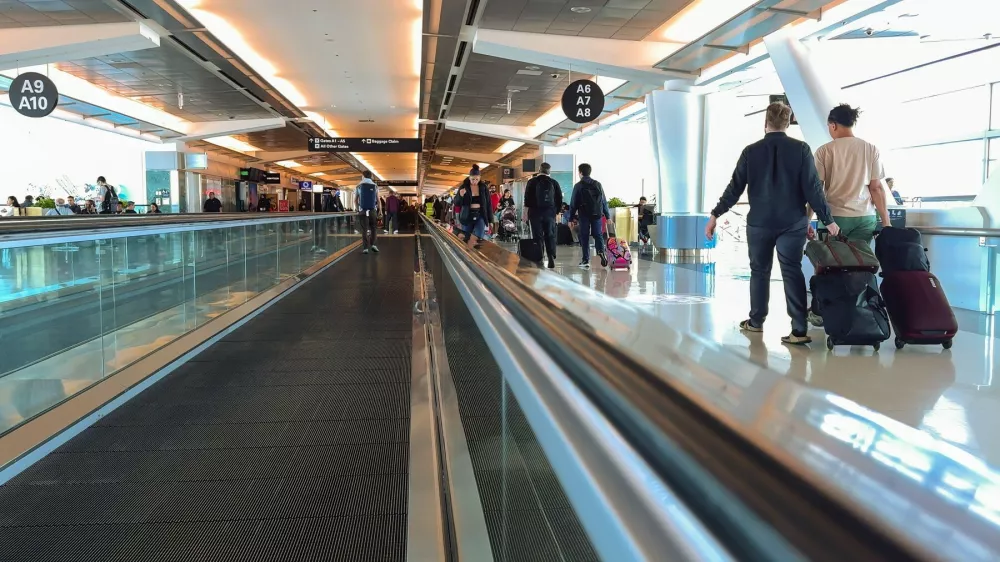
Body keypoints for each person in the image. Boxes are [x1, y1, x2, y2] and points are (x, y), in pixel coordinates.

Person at [705, 102, 839, 346]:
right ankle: (798, 329)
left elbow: (734, 188)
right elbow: (813, 188)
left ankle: (756, 322)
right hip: (792, 222)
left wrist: (716, 214)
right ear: (787, 123)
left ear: (765, 122)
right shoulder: (801, 149)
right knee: (792, 270)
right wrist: (827, 220)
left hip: (759, 223)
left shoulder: (750, 151)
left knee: (759, 271)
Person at [808, 103, 892, 326]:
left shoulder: (825, 151)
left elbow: (816, 190)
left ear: (833, 125)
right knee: (858, 266)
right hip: (865, 218)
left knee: (827, 265)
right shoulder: (870, 149)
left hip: (834, 218)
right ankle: (857, 311)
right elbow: (876, 188)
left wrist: (807, 220)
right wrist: (886, 222)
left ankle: (821, 312)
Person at [568, 163, 611, 269]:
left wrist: (571, 218)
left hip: (584, 214)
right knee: (598, 235)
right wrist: (608, 216)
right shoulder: (597, 184)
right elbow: (603, 201)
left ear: (580, 172)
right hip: (597, 213)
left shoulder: (578, 185)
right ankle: (601, 252)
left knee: (584, 236)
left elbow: (573, 203)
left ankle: (585, 260)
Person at [524, 162, 564, 268]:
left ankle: (540, 257)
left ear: (539, 170)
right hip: (549, 213)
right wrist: (557, 212)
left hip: (535, 213)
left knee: (538, 236)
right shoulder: (554, 182)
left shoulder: (532, 182)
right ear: (549, 171)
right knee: (550, 235)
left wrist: (525, 214)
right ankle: (551, 257)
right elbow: (559, 199)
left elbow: (527, 199)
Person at [459, 165, 493, 247]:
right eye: (473, 179)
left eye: (477, 179)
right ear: (469, 178)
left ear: (480, 178)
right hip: (467, 216)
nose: (474, 181)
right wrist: (460, 196)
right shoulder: (464, 187)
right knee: (466, 239)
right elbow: (457, 203)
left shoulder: (484, 188)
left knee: (478, 238)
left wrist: (490, 220)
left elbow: (488, 204)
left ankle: (476, 257)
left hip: (480, 215)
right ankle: (466, 256)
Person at [356, 170, 380, 254]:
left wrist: (357, 209)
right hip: (372, 210)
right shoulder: (375, 186)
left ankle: (365, 248)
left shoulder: (358, 186)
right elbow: (378, 200)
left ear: (363, 176)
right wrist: (379, 210)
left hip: (362, 210)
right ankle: (373, 245)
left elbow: (355, 200)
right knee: (373, 228)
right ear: (371, 176)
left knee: (364, 229)